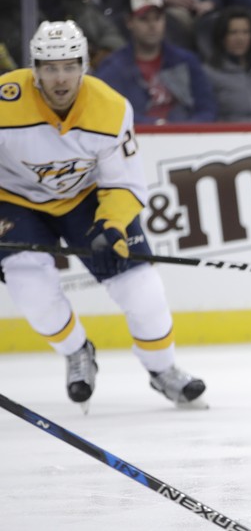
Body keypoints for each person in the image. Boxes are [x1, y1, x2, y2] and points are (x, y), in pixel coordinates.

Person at [0, 21, 207, 412]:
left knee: (143, 289)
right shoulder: (4, 100)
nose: (60, 78)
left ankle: (163, 371)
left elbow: (124, 184)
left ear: (84, 66)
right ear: (34, 68)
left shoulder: (111, 109)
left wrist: (110, 225)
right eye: (49, 67)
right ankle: (77, 352)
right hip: (14, 201)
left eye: (69, 66)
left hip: (87, 200)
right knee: (28, 284)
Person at [96, 0, 217, 125]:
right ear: (129, 22)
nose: (152, 26)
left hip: (187, 138)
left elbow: (207, 109)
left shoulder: (187, 61)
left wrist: (186, 130)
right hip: (136, 140)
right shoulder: (113, 67)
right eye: (144, 19)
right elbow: (110, 110)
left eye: (157, 18)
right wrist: (155, 125)